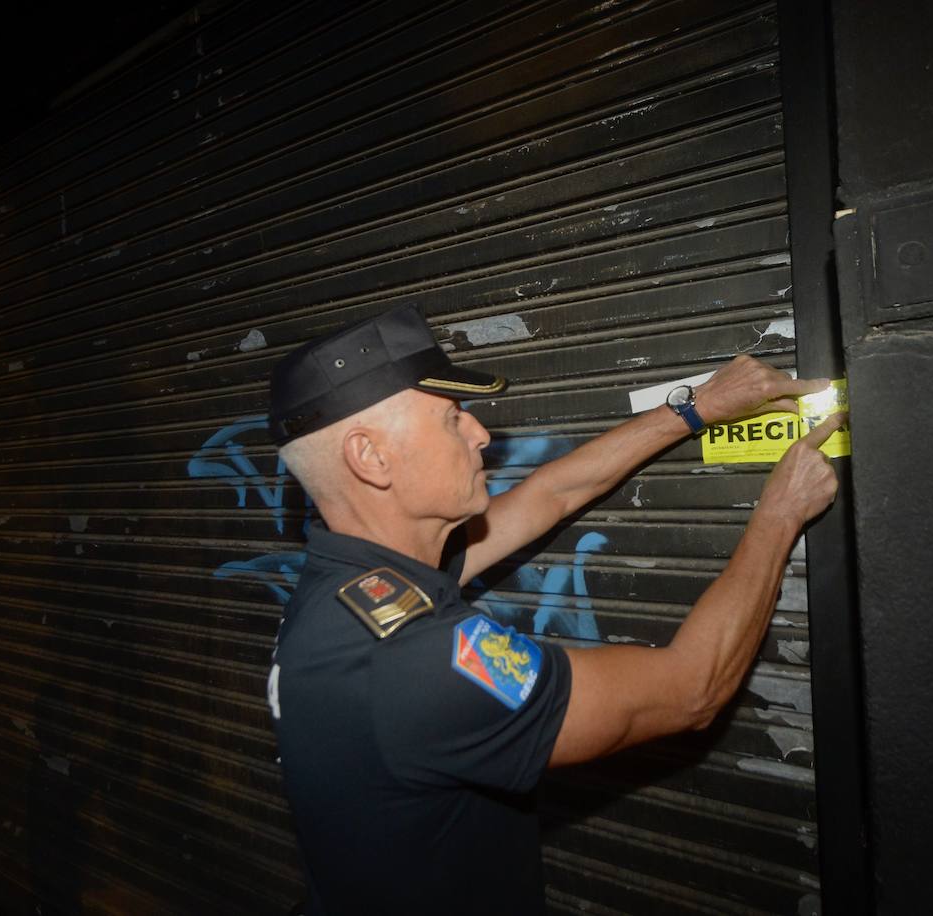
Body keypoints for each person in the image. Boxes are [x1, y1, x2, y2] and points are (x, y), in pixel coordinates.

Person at [266, 304, 843, 915]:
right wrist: (781, 513)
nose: (480, 434)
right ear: (370, 457)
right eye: (451, 418)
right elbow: (692, 689)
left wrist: (695, 409)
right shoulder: (414, 660)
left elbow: (552, 493)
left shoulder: (350, 582)